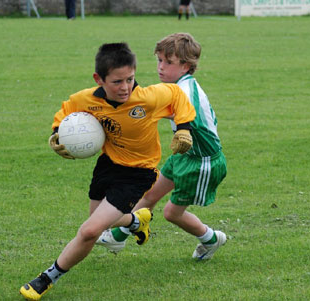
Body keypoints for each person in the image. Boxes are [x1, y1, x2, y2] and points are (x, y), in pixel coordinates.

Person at [19, 42, 196, 300]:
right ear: (98, 79)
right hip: (108, 165)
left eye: (130, 79)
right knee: (100, 223)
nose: (125, 87)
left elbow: (177, 95)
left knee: (90, 230)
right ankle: (137, 220)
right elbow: (67, 110)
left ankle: (47, 278)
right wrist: (56, 135)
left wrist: (184, 128)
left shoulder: (147, 98)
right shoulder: (87, 99)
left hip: (139, 173)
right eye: (116, 82)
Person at [97, 33, 227, 261]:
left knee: (171, 213)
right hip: (185, 156)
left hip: (202, 161)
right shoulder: (178, 86)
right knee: (148, 194)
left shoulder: (185, 91)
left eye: (168, 62)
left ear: (186, 66)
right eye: (159, 60)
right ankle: (117, 236)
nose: (161, 67)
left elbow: (164, 109)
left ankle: (211, 239)